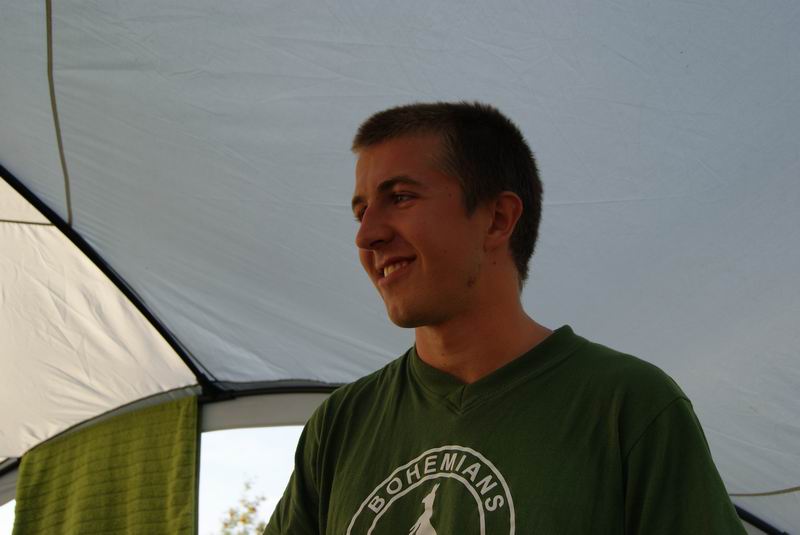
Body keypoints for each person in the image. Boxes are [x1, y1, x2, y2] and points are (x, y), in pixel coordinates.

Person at [264, 102, 746, 534]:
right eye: (360, 212)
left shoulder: (627, 405)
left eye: (401, 197)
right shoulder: (341, 424)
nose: (366, 235)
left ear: (497, 219)